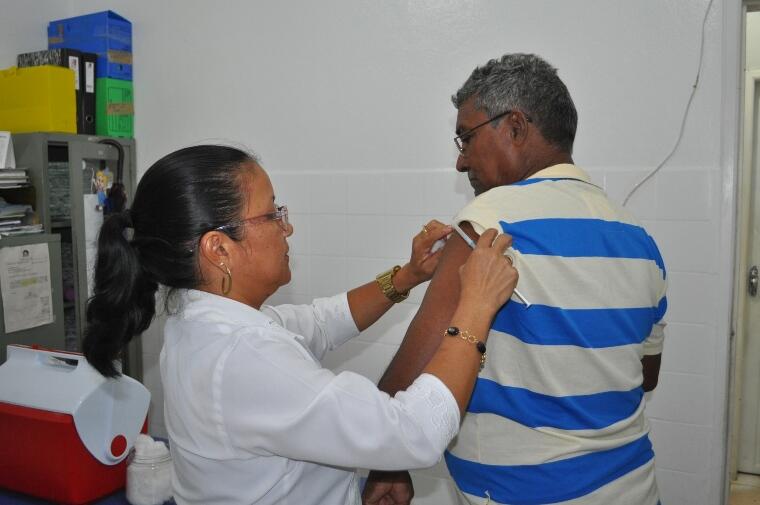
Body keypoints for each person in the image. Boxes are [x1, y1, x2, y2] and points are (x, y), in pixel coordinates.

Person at [82, 144, 519, 505]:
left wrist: (406, 276)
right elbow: (414, 433)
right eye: (271, 215)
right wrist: (475, 308)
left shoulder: (197, 318)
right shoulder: (243, 356)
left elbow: (319, 322)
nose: (286, 227)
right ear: (219, 248)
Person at [363, 54, 668, 505]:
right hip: (634, 488)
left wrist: (384, 459)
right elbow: (645, 375)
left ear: (516, 127)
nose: (460, 161)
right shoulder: (640, 239)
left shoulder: (490, 223)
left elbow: (418, 369)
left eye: (466, 138)